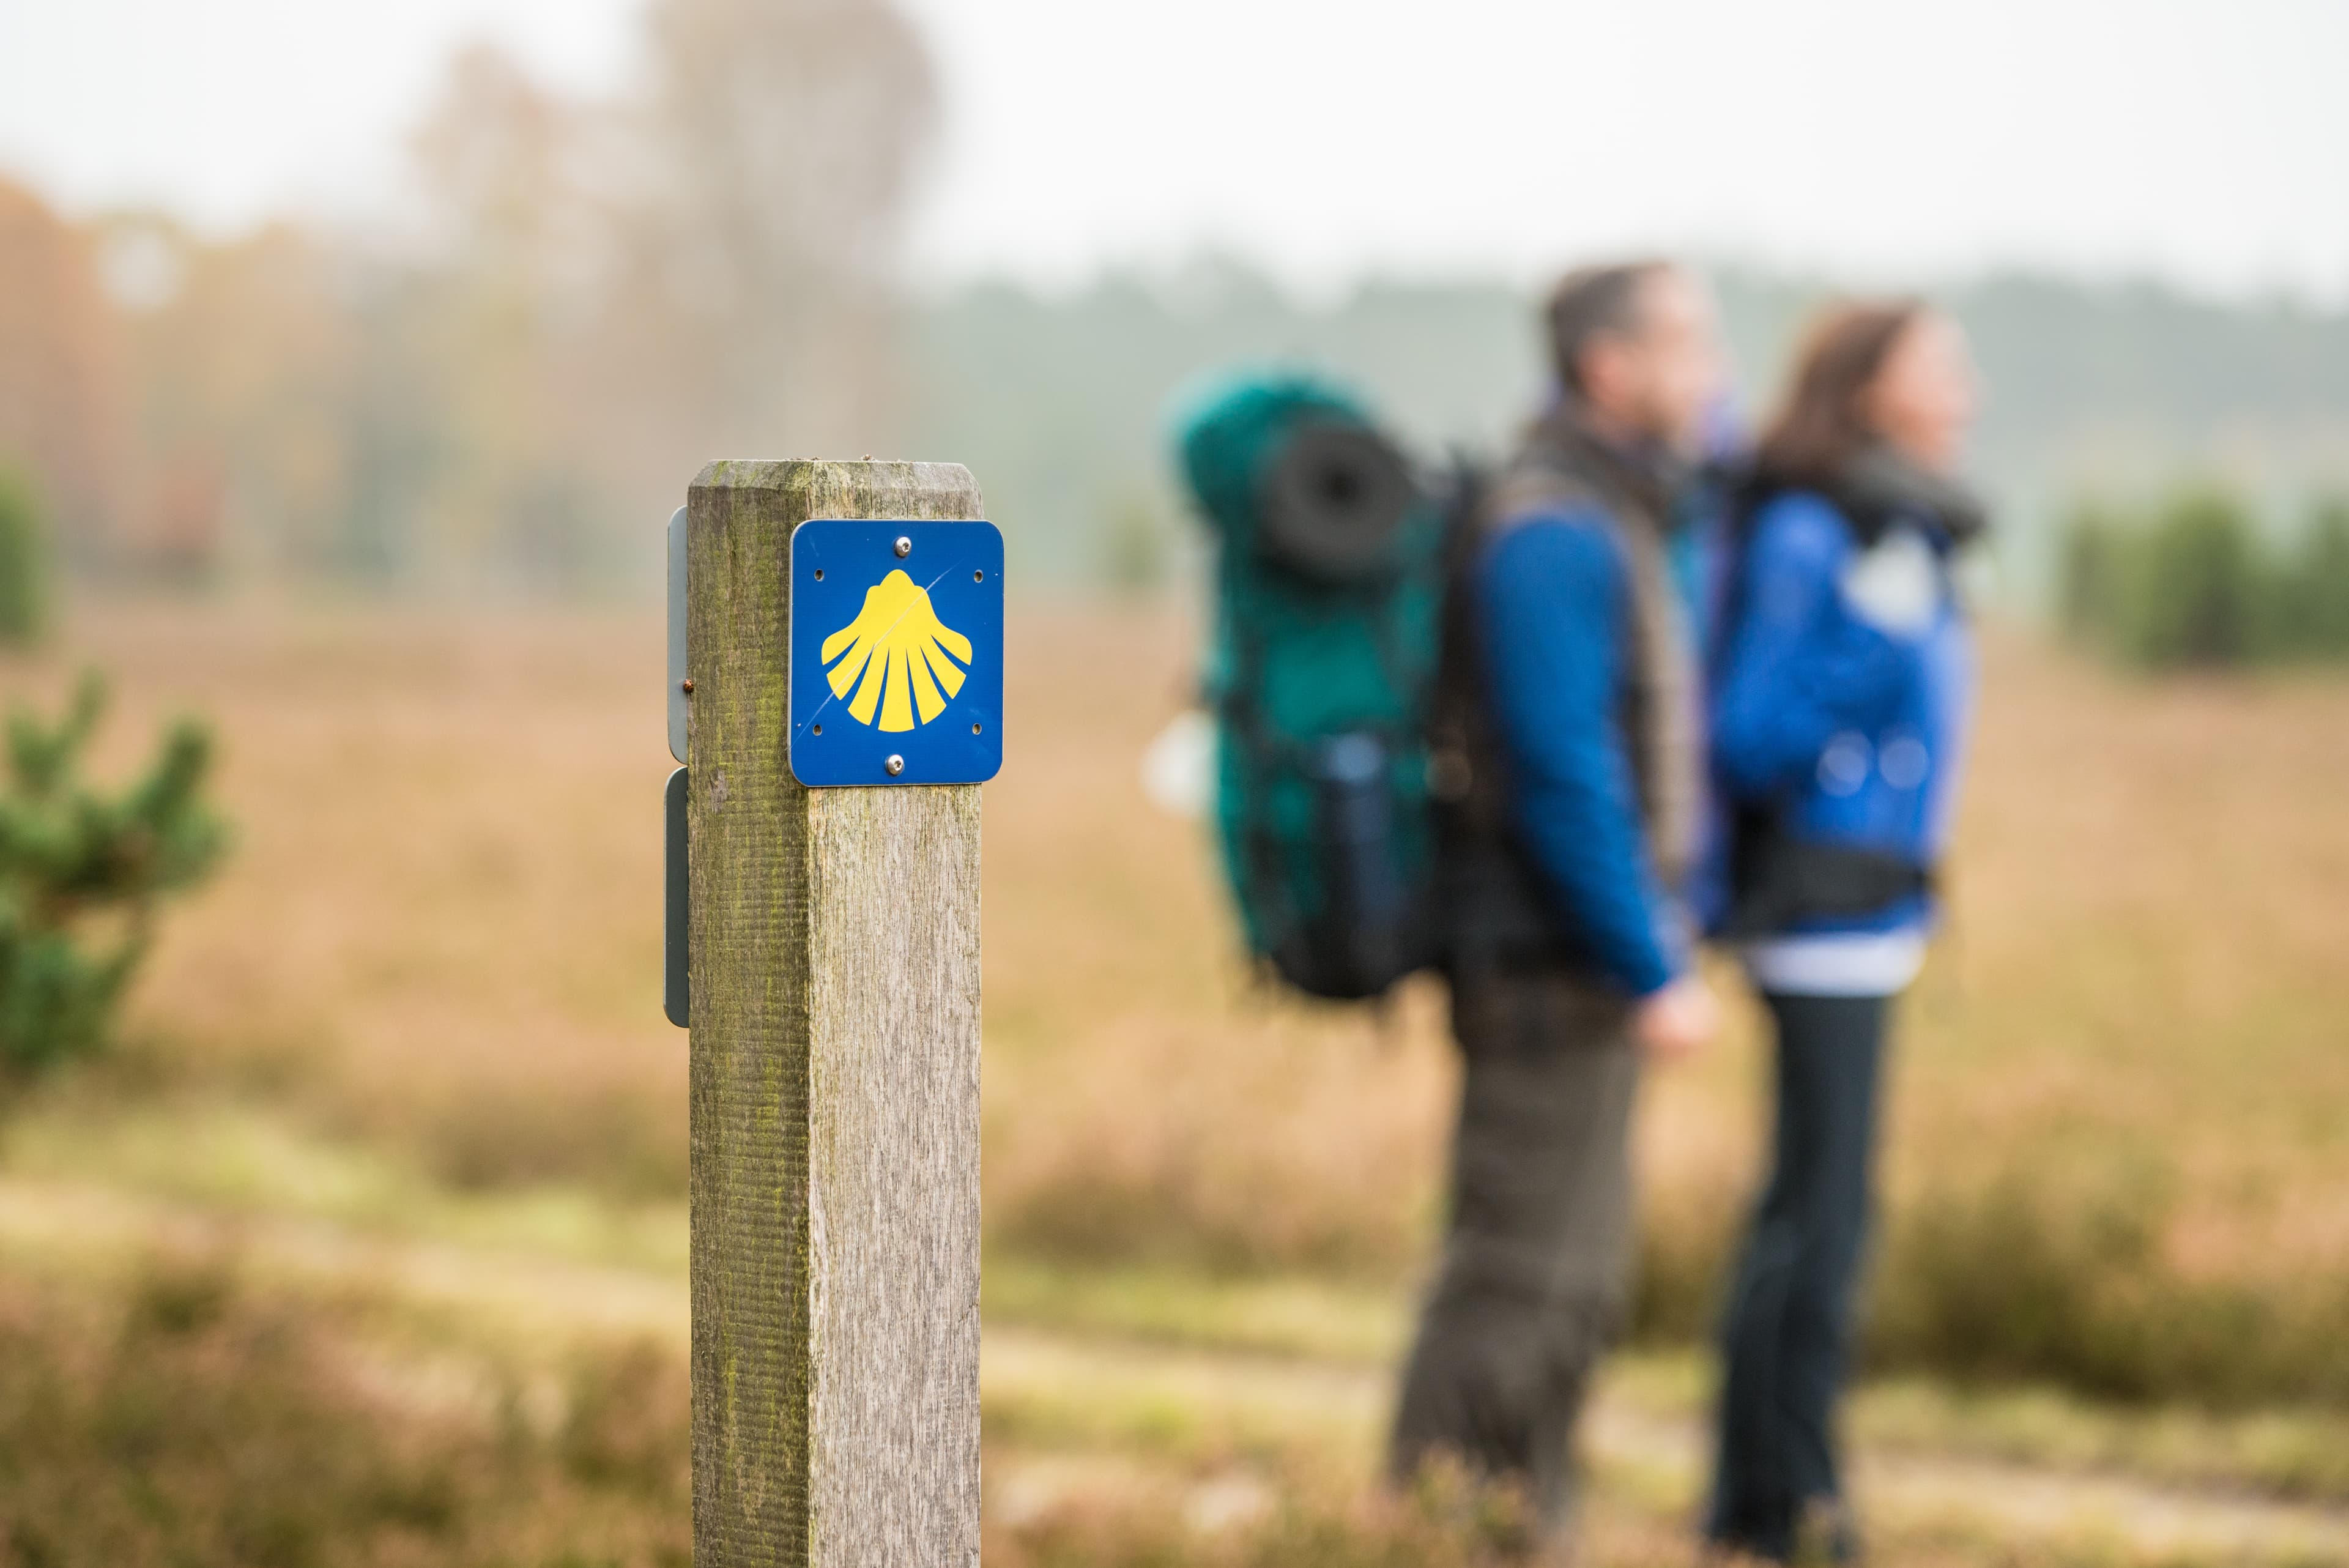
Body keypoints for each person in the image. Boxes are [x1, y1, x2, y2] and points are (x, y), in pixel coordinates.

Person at [1390, 259, 1727, 1548]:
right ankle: (1417, 1533)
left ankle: (1523, 1536)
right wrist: (1651, 961)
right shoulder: (1554, 529)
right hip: (1544, 972)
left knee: (1573, 1292)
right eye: (1688, 346)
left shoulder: (1616, 507)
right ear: (1608, 365)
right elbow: (1559, 768)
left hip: (1573, 971)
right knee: (1515, 1282)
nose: (1714, 376)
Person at [1701, 301, 1986, 1564]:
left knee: (1804, 1212)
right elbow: (1753, 730)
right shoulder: (1820, 533)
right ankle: (1797, 1509)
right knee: (1823, 1223)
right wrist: (1872, 634)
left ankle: (1753, 1500)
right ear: (1867, 389)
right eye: (1942, 366)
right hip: (1823, 917)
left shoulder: (1891, 523)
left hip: (1872, 910)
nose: (1965, 390)